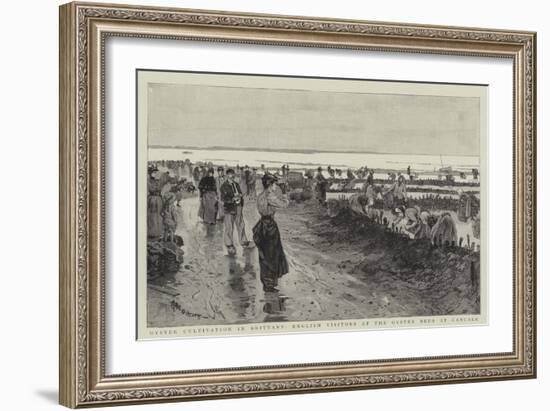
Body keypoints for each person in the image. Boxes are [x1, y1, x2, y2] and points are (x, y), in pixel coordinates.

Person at [253, 173, 290, 292]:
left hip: (261, 225)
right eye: (274, 184)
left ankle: (267, 282)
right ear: (270, 185)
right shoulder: (270, 196)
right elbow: (284, 205)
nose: (276, 186)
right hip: (269, 227)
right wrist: (284, 193)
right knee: (272, 255)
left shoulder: (260, 196)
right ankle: (270, 284)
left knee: (264, 255)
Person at [220, 169, 254, 255]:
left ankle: (244, 242)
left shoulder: (236, 184)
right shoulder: (224, 186)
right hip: (229, 209)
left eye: (232, 176)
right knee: (229, 227)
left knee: (241, 224)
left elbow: (240, 193)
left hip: (238, 207)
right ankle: (229, 245)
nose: (231, 177)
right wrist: (232, 199)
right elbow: (223, 199)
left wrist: (240, 199)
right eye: (230, 176)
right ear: (227, 176)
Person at [147, 165, 166, 239]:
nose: (155, 173)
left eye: (156, 172)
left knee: (158, 215)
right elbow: (152, 189)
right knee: (152, 216)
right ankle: (152, 232)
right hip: (153, 199)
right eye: (154, 172)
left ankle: (157, 232)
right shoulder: (149, 181)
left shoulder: (158, 180)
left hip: (157, 199)